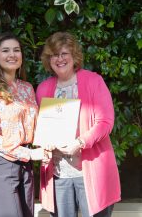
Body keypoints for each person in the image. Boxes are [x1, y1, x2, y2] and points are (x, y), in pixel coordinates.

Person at [36, 32, 121, 217]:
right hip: (58, 175)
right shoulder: (43, 88)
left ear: (74, 56)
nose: (59, 59)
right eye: (54, 55)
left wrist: (80, 142)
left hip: (90, 171)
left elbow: (105, 122)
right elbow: (41, 128)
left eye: (64, 53)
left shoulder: (94, 81)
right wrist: (45, 143)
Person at [0, 32, 47, 217]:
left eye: (16, 50)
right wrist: (29, 153)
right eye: (5, 50)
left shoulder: (27, 88)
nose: (12, 54)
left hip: (25, 163)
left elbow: (37, 126)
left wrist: (51, 141)